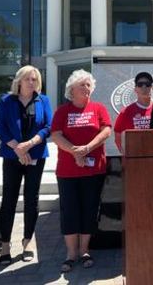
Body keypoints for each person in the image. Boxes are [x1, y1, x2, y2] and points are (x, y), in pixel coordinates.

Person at [51, 69, 111, 273]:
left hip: (94, 171)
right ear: (71, 89)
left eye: (88, 85)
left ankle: (85, 250)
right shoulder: (62, 111)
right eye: (82, 85)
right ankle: (71, 253)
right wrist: (75, 152)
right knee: (70, 211)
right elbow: (57, 135)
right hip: (68, 171)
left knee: (90, 209)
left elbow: (106, 131)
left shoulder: (98, 108)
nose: (87, 88)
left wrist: (87, 149)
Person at [0, 66, 52, 265]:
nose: (32, 82)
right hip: (12, 156)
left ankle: (27, 242)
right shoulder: (6, 101)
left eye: (35, 79)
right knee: (8, 198)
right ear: (19, 81)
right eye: (28, 78)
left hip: (36, 154)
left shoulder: (43, 100)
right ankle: (4, 244)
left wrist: (29, 144)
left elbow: (48, 127)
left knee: (32, 199)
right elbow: (0, 127)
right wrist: (18, 149)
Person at [114, 72, 153, 153]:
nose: (144, 87)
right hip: (135, 157)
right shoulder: (126, 112)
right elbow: (118, 134)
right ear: (135, 89)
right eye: (140, 84)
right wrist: (125, 153)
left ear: (152, 88)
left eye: (147, 84)